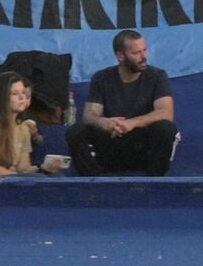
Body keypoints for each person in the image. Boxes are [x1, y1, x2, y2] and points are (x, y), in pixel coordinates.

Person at [72, 30, 179, 176]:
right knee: (76, 131)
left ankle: (155, 181)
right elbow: (89, 116)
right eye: (136, 53)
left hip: (143, 146)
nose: (143, 57)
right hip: (113, 142)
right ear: (120, 56)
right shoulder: (102, 77)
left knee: (166, 128)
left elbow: (166, 113)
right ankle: (92, 184)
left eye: (144, 50)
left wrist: (131, 123)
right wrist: (104, 123)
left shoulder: (157, 76)